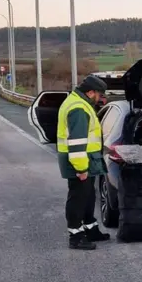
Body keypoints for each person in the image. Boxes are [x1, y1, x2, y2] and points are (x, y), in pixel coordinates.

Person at [57, 75, 111, 250]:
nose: (101, 98)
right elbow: (76, 142)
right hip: (79, 161)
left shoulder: (80, 103)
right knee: (78, 198)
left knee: (88, 196)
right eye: (99, 94)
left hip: (87, 159)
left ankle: (90, 229)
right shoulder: (79, 109)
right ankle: (76, 236)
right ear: (90, 92)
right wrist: (81, 168)